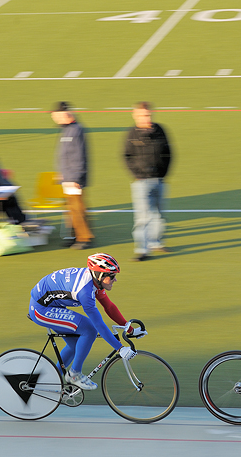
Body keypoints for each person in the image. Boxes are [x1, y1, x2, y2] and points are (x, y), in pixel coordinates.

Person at [28, 253, 143, 390]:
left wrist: (130, 329)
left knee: (75, 345)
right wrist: (120, 348)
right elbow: (98, 324)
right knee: (89, 330)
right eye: (112, 276)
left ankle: (53, 379)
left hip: (52, 305)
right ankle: (74, 374)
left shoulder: (94, 281)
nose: (115, 280)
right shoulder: (85, 291)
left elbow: (109, 307)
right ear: (100, 276)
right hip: (41, 310)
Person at [123, 101, 173, 261]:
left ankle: (156, 243)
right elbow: (126, 156)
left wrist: (164, 173)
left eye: (149, 115)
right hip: (141, 182)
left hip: (159, 179)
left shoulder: (160, 130)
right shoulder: (132, 134)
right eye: (143, 115)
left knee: (159, 215)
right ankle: (142, 250)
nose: (147, 118)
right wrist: (136, 174)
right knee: (143, 218)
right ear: (135, 116)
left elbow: (169, 153)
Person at [51, 101, 93, 249]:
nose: (54, 119)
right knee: (72, 210)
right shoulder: (67, 130)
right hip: (67, 177)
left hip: (74, 178)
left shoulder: (75, 130)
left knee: (78, 209)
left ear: (64, 114)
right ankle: (75, 236)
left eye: (55, 116)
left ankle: (84, 238)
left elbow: (79, 155)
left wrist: (76, 177)